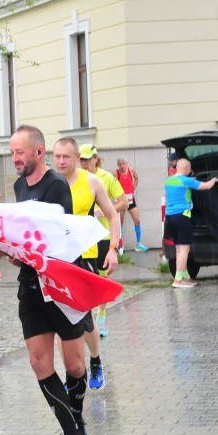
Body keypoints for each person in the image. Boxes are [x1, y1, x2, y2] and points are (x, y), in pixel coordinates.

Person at [0, 124, 94, 435]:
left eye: (18, 152)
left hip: (62, 284)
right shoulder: (20, 185)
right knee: (39, 362)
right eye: (11, 152)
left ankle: (76, 427)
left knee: (75, 365)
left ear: (38, 152)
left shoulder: (56, 186)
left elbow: (51, 237)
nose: (14, 158)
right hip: (31, 284)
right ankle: (74, 434)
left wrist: (20, 245)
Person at [58, 140, 120, 391]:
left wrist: (114, 249)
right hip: (58, 256)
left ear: (77, 158)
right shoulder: (50, 182)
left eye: (67, 157)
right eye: (57, 156)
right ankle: (72, 374)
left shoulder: (91, 181)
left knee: (85, 316)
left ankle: (95, 361)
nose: (61, 162)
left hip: (85, 255)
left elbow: (114, 215)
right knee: (60, 317)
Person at [79, 145, 128, 343]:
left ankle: (101, 318)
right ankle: (87, 319)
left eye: (87, 159)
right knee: (85, 279)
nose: (84, 163)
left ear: (95, 159)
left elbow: (123, 202)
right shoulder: (75, 178)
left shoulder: (106, 177)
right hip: (84, 236)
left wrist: (105, 211)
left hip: (104, 235)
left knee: (102, 277)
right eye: (81, 159)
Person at [164, 158, 217, 288]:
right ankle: (178, 280)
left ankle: (186, 277)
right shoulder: (186, 181)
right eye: (189, 169)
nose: (190, 171)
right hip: (182, 216)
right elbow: (207, 186)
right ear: (187, 168)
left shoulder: (168, 180)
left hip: (170, 217)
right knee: (184, 249)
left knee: (178, 248)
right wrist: (214, 179)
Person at [115, 156, 148, 252]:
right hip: (121, 200)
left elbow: (137, 178)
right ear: (118, 165)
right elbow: (113, 185)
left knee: (137, 220)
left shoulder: (131, 171)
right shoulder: (116, 173)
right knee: (120, 222)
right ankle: (121, 245)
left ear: (126, 164)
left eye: (123, 164)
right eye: (120, 164)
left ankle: (139, 244)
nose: (121, 166)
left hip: (130, 199)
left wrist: (133, 187)